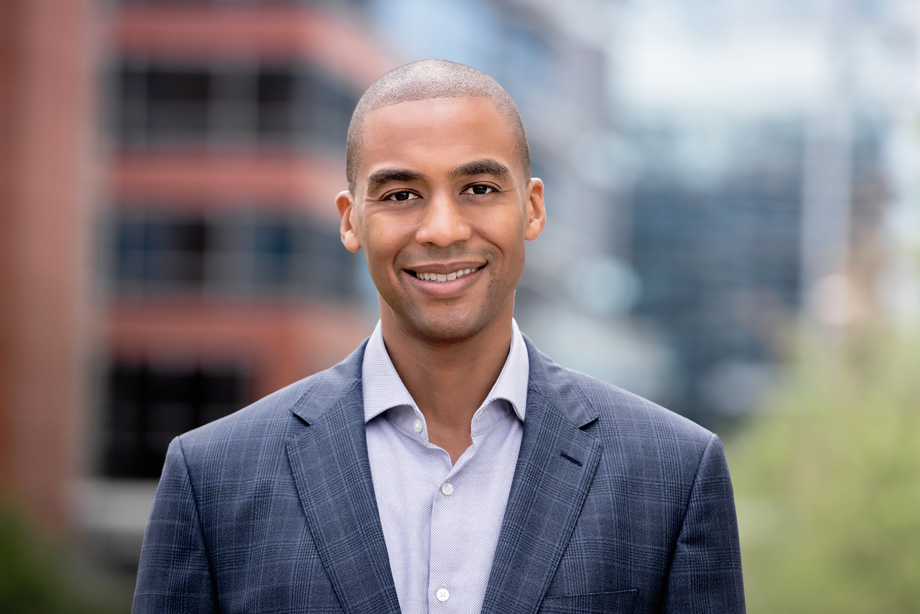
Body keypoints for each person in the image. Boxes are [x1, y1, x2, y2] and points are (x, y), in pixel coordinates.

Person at [133, 59, 745, 614]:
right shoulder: (213, 478)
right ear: (351, 221)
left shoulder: (672, 474)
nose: (443, 229)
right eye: (401, 195)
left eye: (479, 189)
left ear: (531, 208)